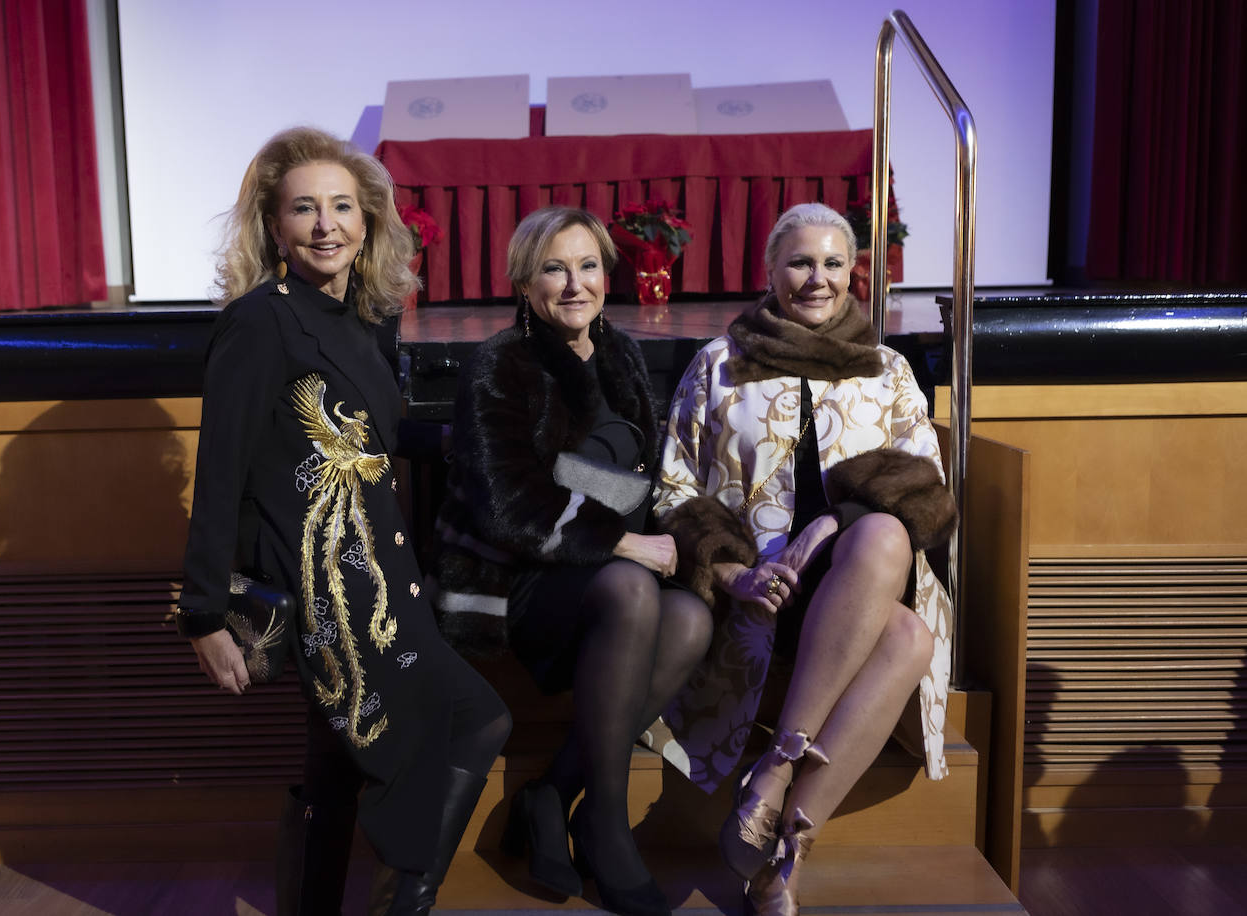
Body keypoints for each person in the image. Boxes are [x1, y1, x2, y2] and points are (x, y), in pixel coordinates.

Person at [174, 127, 510, 916]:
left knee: (334, 763)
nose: (326, 225)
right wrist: (202, 616)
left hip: (382, 573)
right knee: (477, 718)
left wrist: (464, 440)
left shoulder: (359, 317)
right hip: (329, 582)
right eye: (304, 209)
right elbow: (218, 470)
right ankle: (406, 903)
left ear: (368, 222)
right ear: (275, 227)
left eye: (342, 207)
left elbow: (365, 437)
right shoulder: (261, 320)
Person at [649, 202, 957, 915]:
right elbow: (673, 487)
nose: (816, 279)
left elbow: (928, 494)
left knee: (883, 543)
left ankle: (783, 800)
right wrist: (732, 570)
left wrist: (832, 525)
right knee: (906, 638)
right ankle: (782, 846)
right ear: (769, 271)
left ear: (853, 273)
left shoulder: (887, 370)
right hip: (763, 597)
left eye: (832, 264)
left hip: (862, 585)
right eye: (799, 262)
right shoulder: (720, 365)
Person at [431, 206, 712, 916]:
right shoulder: (501, 361)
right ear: (526, 282)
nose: (574, 283)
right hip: (521, 582)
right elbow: (508, 503)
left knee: (691, 620)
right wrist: (620, 538)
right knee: (632, 588)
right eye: (554, 268)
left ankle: (556, 793)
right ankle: (607, 827)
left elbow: (636, 477)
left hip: (601, 577)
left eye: (587, 265)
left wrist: (659, 530)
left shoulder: (617, 352)